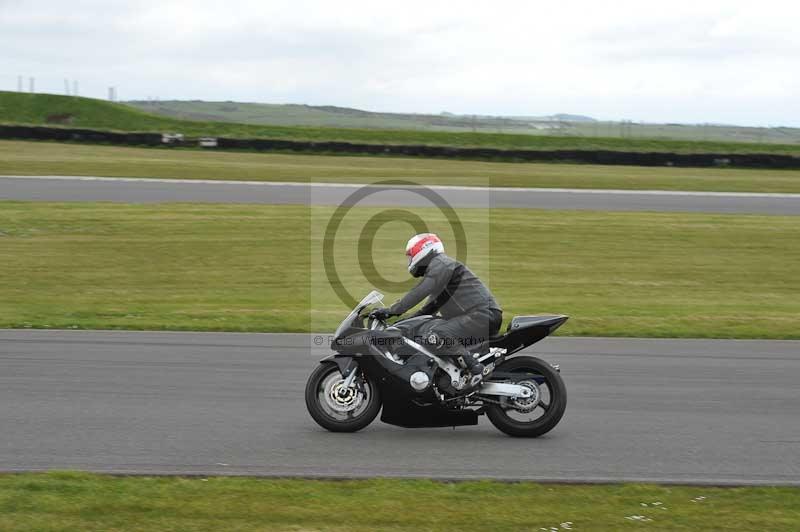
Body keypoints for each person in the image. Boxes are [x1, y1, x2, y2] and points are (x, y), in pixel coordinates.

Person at [370, 233, 503, 383]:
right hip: (478, 316)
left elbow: (420, 291)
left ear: (422, 250)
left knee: (438, 334)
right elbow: (427, 310)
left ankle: (475, 369)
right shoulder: (441, 271)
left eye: (411, 256)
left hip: (482, 315)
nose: (410, 260)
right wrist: (399, 325)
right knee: (425, 332)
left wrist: (392, 310)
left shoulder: (441, 264)